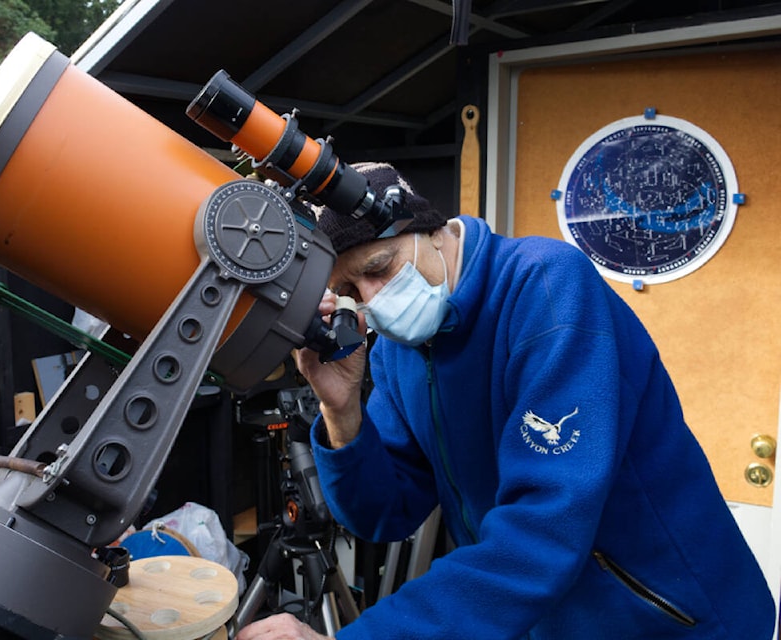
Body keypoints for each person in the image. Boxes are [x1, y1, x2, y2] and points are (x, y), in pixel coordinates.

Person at [235, 162, 775, 639]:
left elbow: (545, 526)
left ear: (437, 233)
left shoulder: (547, 288)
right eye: (351, 291)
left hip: (664, 617)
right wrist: (342, 411)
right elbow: (384, 516)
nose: (372, 301)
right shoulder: (399, 351)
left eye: (379, 268)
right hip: (545, 618)